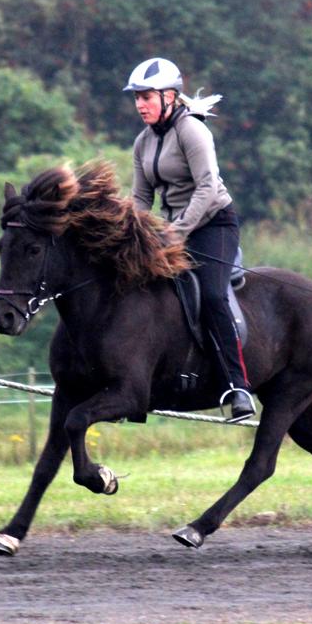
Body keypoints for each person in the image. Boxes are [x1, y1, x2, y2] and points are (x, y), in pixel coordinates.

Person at [123, 57, 256, 421]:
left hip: (214, 225)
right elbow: (138, 199)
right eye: (136, 98)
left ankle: (237, 386)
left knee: (211, 294)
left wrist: (176, 231)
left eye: (146, 96)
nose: (139, 104)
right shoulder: (142, 143)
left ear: (169, 96)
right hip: (171, 230)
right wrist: (129, 236)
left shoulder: (192, 131)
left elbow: (208, 187)